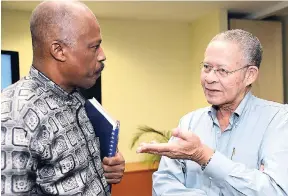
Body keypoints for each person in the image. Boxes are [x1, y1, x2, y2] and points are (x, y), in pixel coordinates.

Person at [137, 29, 288, 196]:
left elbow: (275, 191)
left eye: (222, 71)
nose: (209, 78)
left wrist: (204, 156)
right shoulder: (189, 122)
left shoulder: (278, 120)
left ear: (250, 75)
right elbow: (163, 184)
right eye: (207, 67)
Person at [1, 1, 125, 195]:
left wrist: (107, 167)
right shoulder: (15, 116)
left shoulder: (76, 98)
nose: (102, 55)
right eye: (95, 47)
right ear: (59, 50)